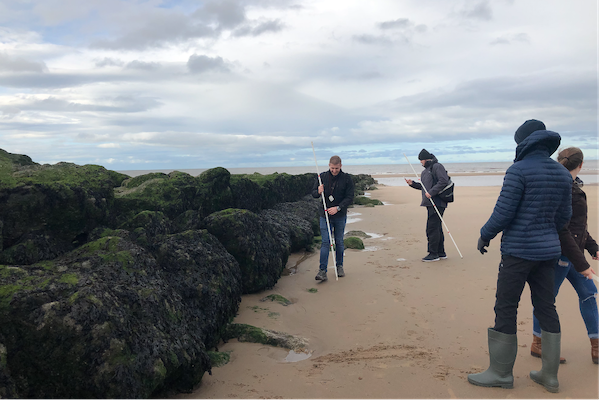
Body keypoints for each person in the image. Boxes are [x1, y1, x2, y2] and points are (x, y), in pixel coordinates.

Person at [467, 119, 573, 393]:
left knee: (506, 306)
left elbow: (503, 213)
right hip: (548, 252)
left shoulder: (518, 171)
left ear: (523, 142)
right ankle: (549, 376)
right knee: (546, 306)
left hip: (518, 252)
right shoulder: (562, 174)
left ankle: (501, 373)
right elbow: (564, 218)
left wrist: (484, 234)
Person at [530, 147, 599, 364]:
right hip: (559, 255)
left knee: (588, 294)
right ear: (580, 165)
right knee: (547, 299)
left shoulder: (574, 186)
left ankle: (596, 346)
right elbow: (563, 230)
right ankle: (538, 343)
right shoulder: (563, 188)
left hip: (574, 254)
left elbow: (578, 228)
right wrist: (582, 263)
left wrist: (593, 247)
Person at [311, 155, 354, 281]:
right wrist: (318, 191)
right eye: (332, 168)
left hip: (340, 215)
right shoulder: (322, 177)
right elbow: (313, 194)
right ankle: (322, 271)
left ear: (341, 166)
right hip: (324, 215)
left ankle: (339, 266)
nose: (334, 170)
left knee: (339, 242)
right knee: (325, 242)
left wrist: (338, 208)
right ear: (329, 165)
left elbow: (350, 197)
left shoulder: (346, 179)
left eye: (336, 168)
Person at [405, 149, 451, 262]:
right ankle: (441, 252)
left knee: (432, 228)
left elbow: (443, 181)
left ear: (426, 159)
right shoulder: (426, 171)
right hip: (430, 203)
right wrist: (413, 184)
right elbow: (424, 187)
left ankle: (433, 254)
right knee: (436, 227)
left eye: (421, 160)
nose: (421, 162)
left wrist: (431, 193)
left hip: (438, 202)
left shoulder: (437, 166)